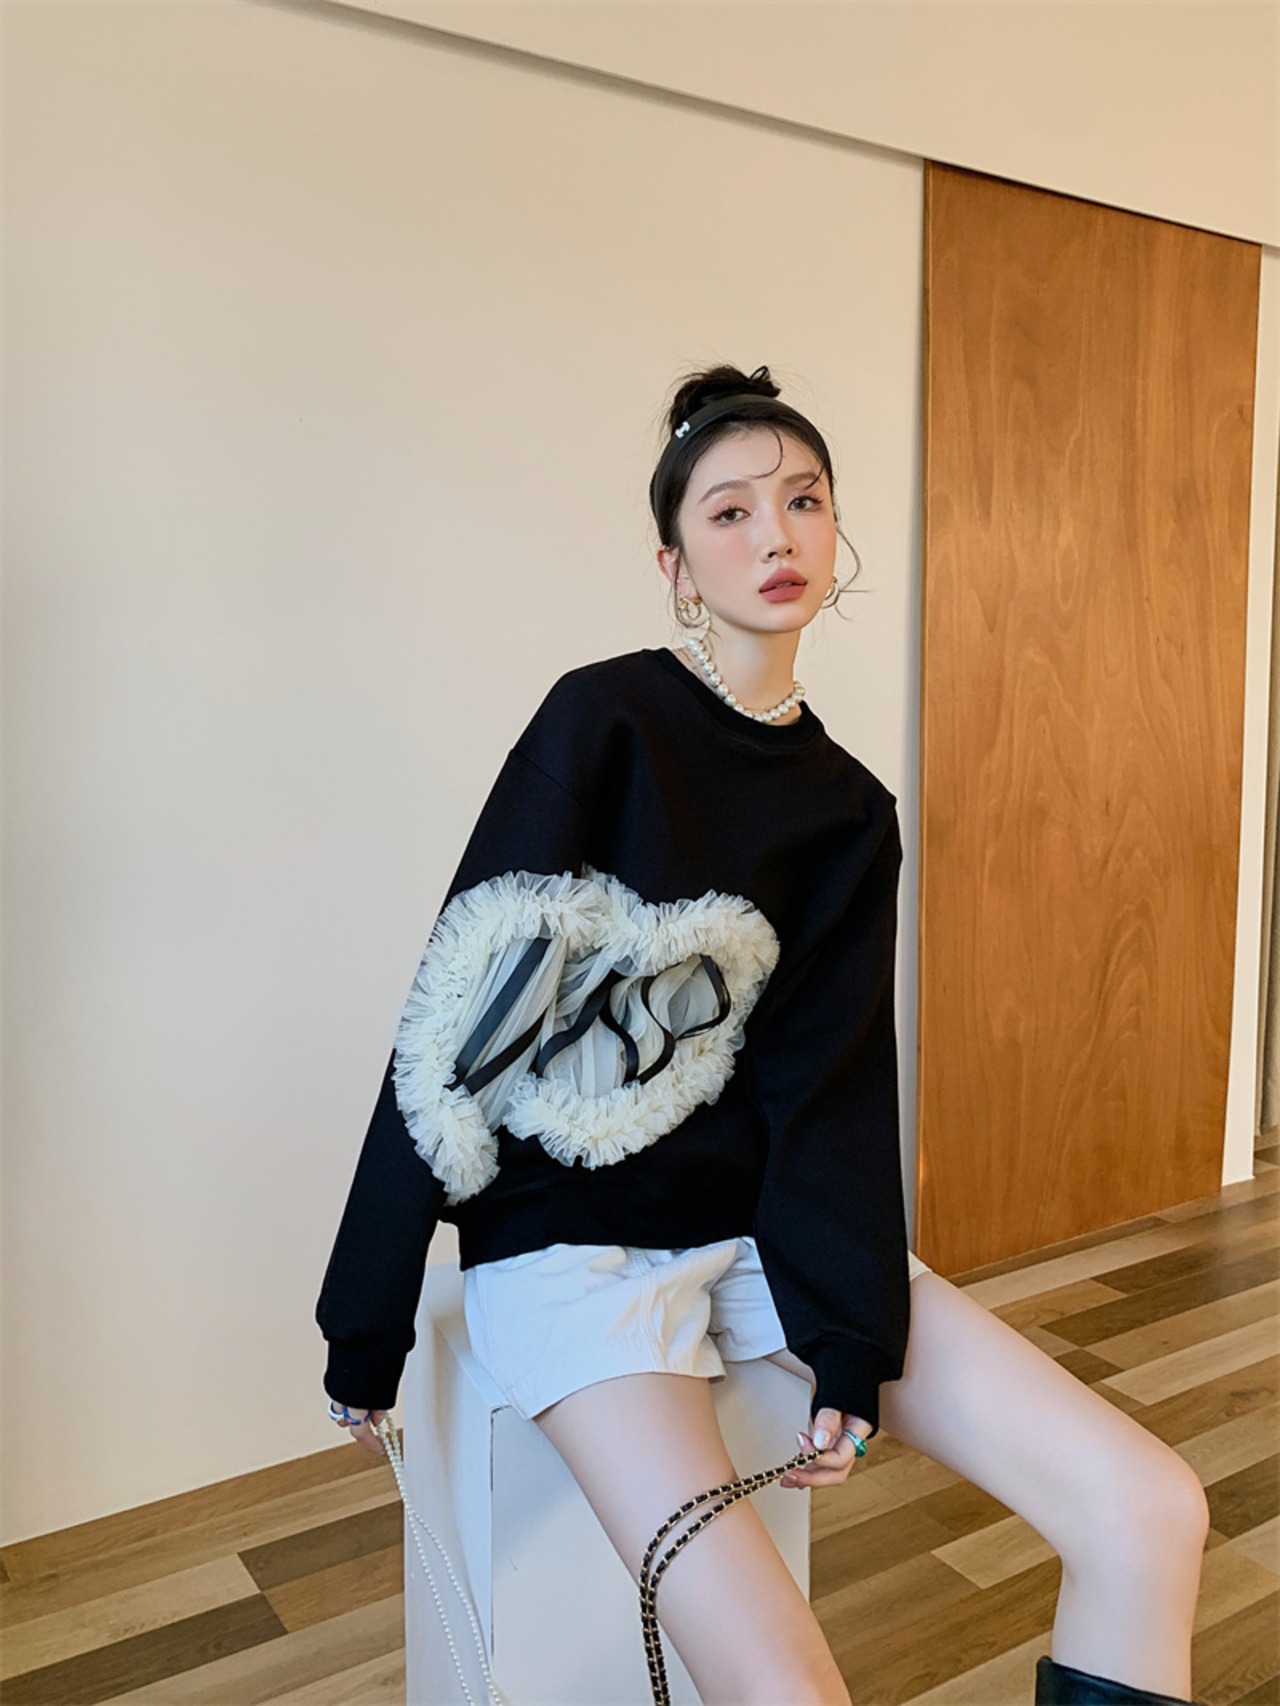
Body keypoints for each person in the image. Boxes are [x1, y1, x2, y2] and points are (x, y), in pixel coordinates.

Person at [315, 364, 1209, 1706]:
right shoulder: (603, 721)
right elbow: (459, 1015)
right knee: (789, 1688)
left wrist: (847, 1337)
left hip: (751, 1241)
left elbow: (827, 1090)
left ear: (835, 532)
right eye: (729, 512)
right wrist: (367, 1313)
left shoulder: (850, 811)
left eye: (802, 500)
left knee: (1150, 1508)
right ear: (676, 567)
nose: (774, 534)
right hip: (569, 1252)